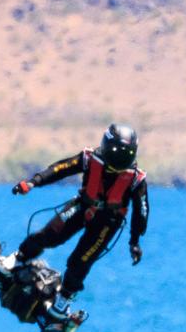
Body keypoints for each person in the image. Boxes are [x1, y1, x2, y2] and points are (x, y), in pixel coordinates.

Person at [11, 123, 149, 320]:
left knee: (81, 261)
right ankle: (19, 258)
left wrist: (134, 242)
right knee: (49, 236)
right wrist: (33, 182)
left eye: (125, 153)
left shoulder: (136, 179)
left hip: (107, 224)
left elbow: (141, 212)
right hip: (82, 208)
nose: (119, 157)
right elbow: (60, 169)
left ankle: (64, 299)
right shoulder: (89, 158)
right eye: (116, 151)